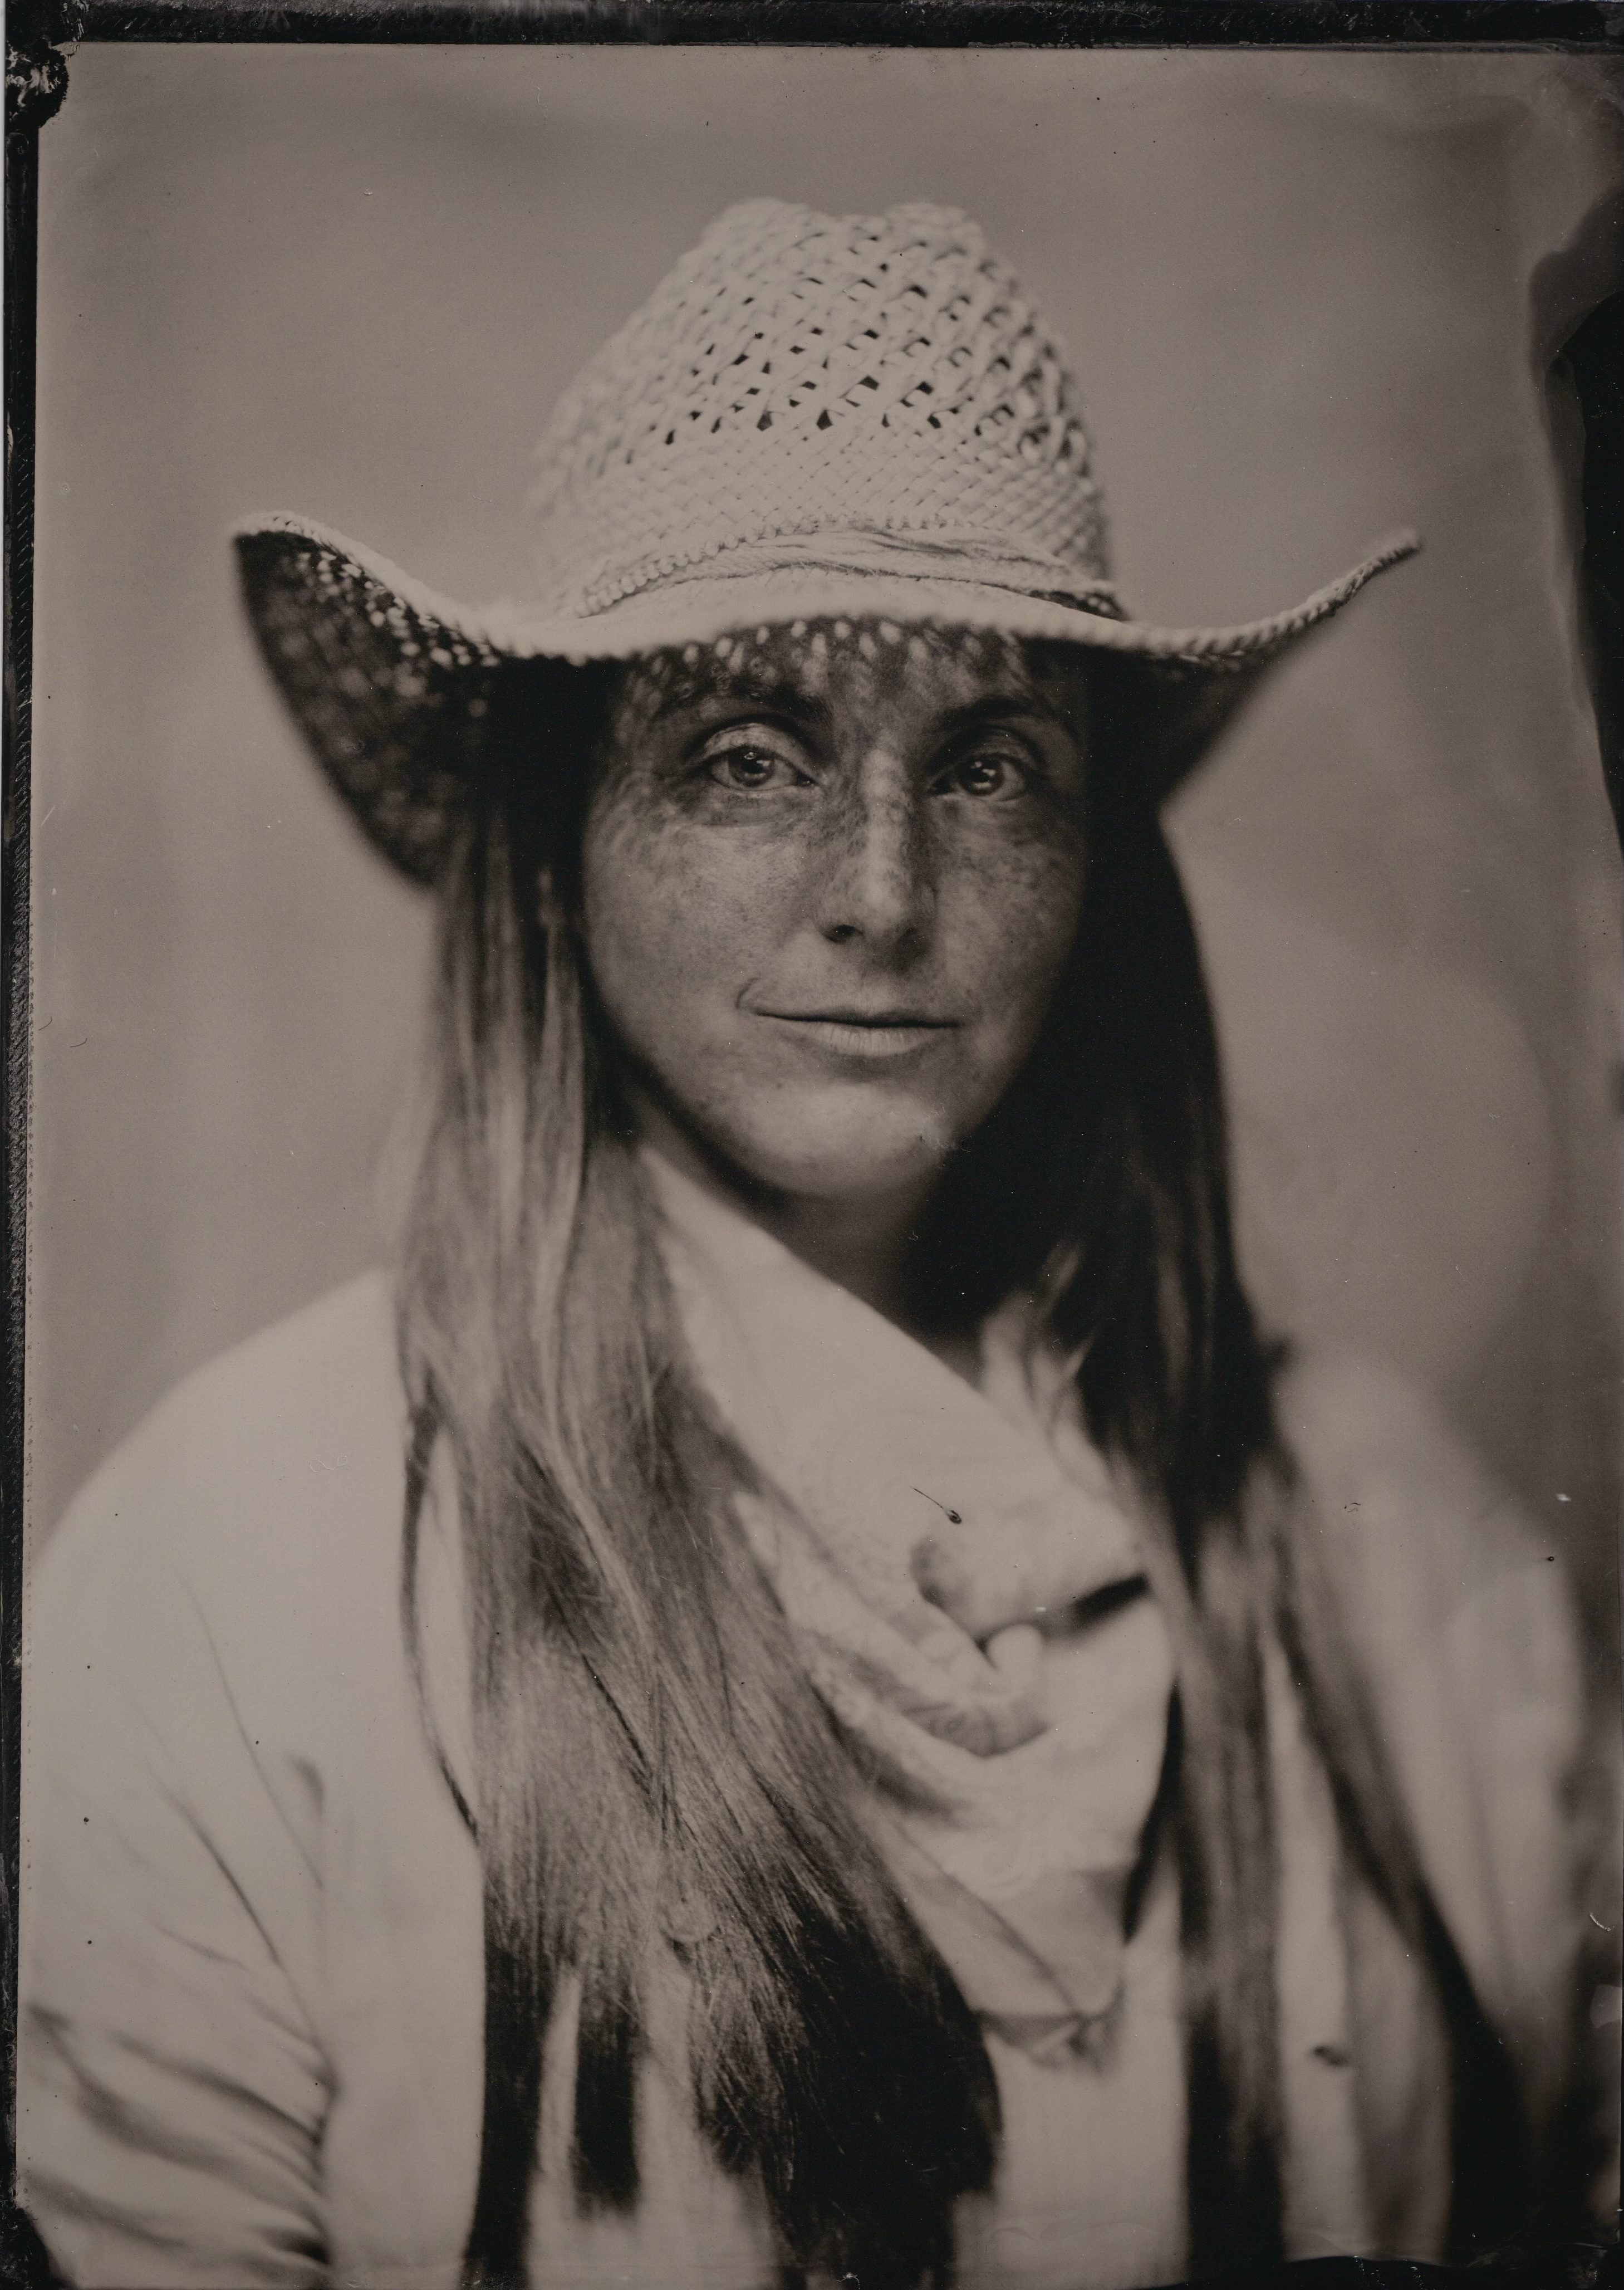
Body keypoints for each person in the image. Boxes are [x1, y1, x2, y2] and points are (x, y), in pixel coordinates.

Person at [18, 199, 1606, 2290]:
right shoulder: (246, 1561)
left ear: (1099, 857)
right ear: (560, 841)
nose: (881, 893)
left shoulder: (1411, 1553)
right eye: (745, 759)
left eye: (992, 763)